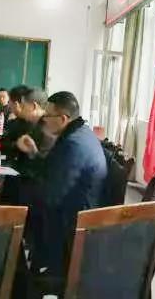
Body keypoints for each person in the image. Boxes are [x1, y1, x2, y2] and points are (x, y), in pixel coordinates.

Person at [18, 91, 107, 276]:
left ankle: (20, 275)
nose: (44, 120)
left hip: (73, 222)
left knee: (13, 200)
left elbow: (51, 196)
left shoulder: (74, 144)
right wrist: (34, 152)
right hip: (75, 207)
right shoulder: (79, 133)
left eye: (48, 115)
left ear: (63, 119)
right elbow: (53, 168)